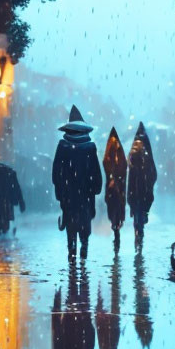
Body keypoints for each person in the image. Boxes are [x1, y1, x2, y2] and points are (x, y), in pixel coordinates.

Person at [52, 105, 102, 261]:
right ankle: (84, 245)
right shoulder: (90, 147)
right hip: (85, 194)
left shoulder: (63, 147)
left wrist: (60, 192)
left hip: (68, 194)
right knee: (84, 220)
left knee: (70, 221)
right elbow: (95, 172)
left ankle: (72, 248)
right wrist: (95, 188)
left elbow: (56, 173)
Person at [127, 122, 157, 243]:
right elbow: (152, 172)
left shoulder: (135, 154)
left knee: (138, 212)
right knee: (140, 212)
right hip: (141, 189)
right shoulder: (145, 153)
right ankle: (139, 232)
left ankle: (139, 231)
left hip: (137, 189)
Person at [102, 127, 127, 250]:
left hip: (111, 188)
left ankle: (115, 229)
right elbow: (123, 166)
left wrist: (111, 177)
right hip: (119, 187)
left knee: (113, 209)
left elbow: (105, 164)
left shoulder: (109, 148)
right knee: (118, 208)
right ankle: (117, 230)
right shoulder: (119, 149)